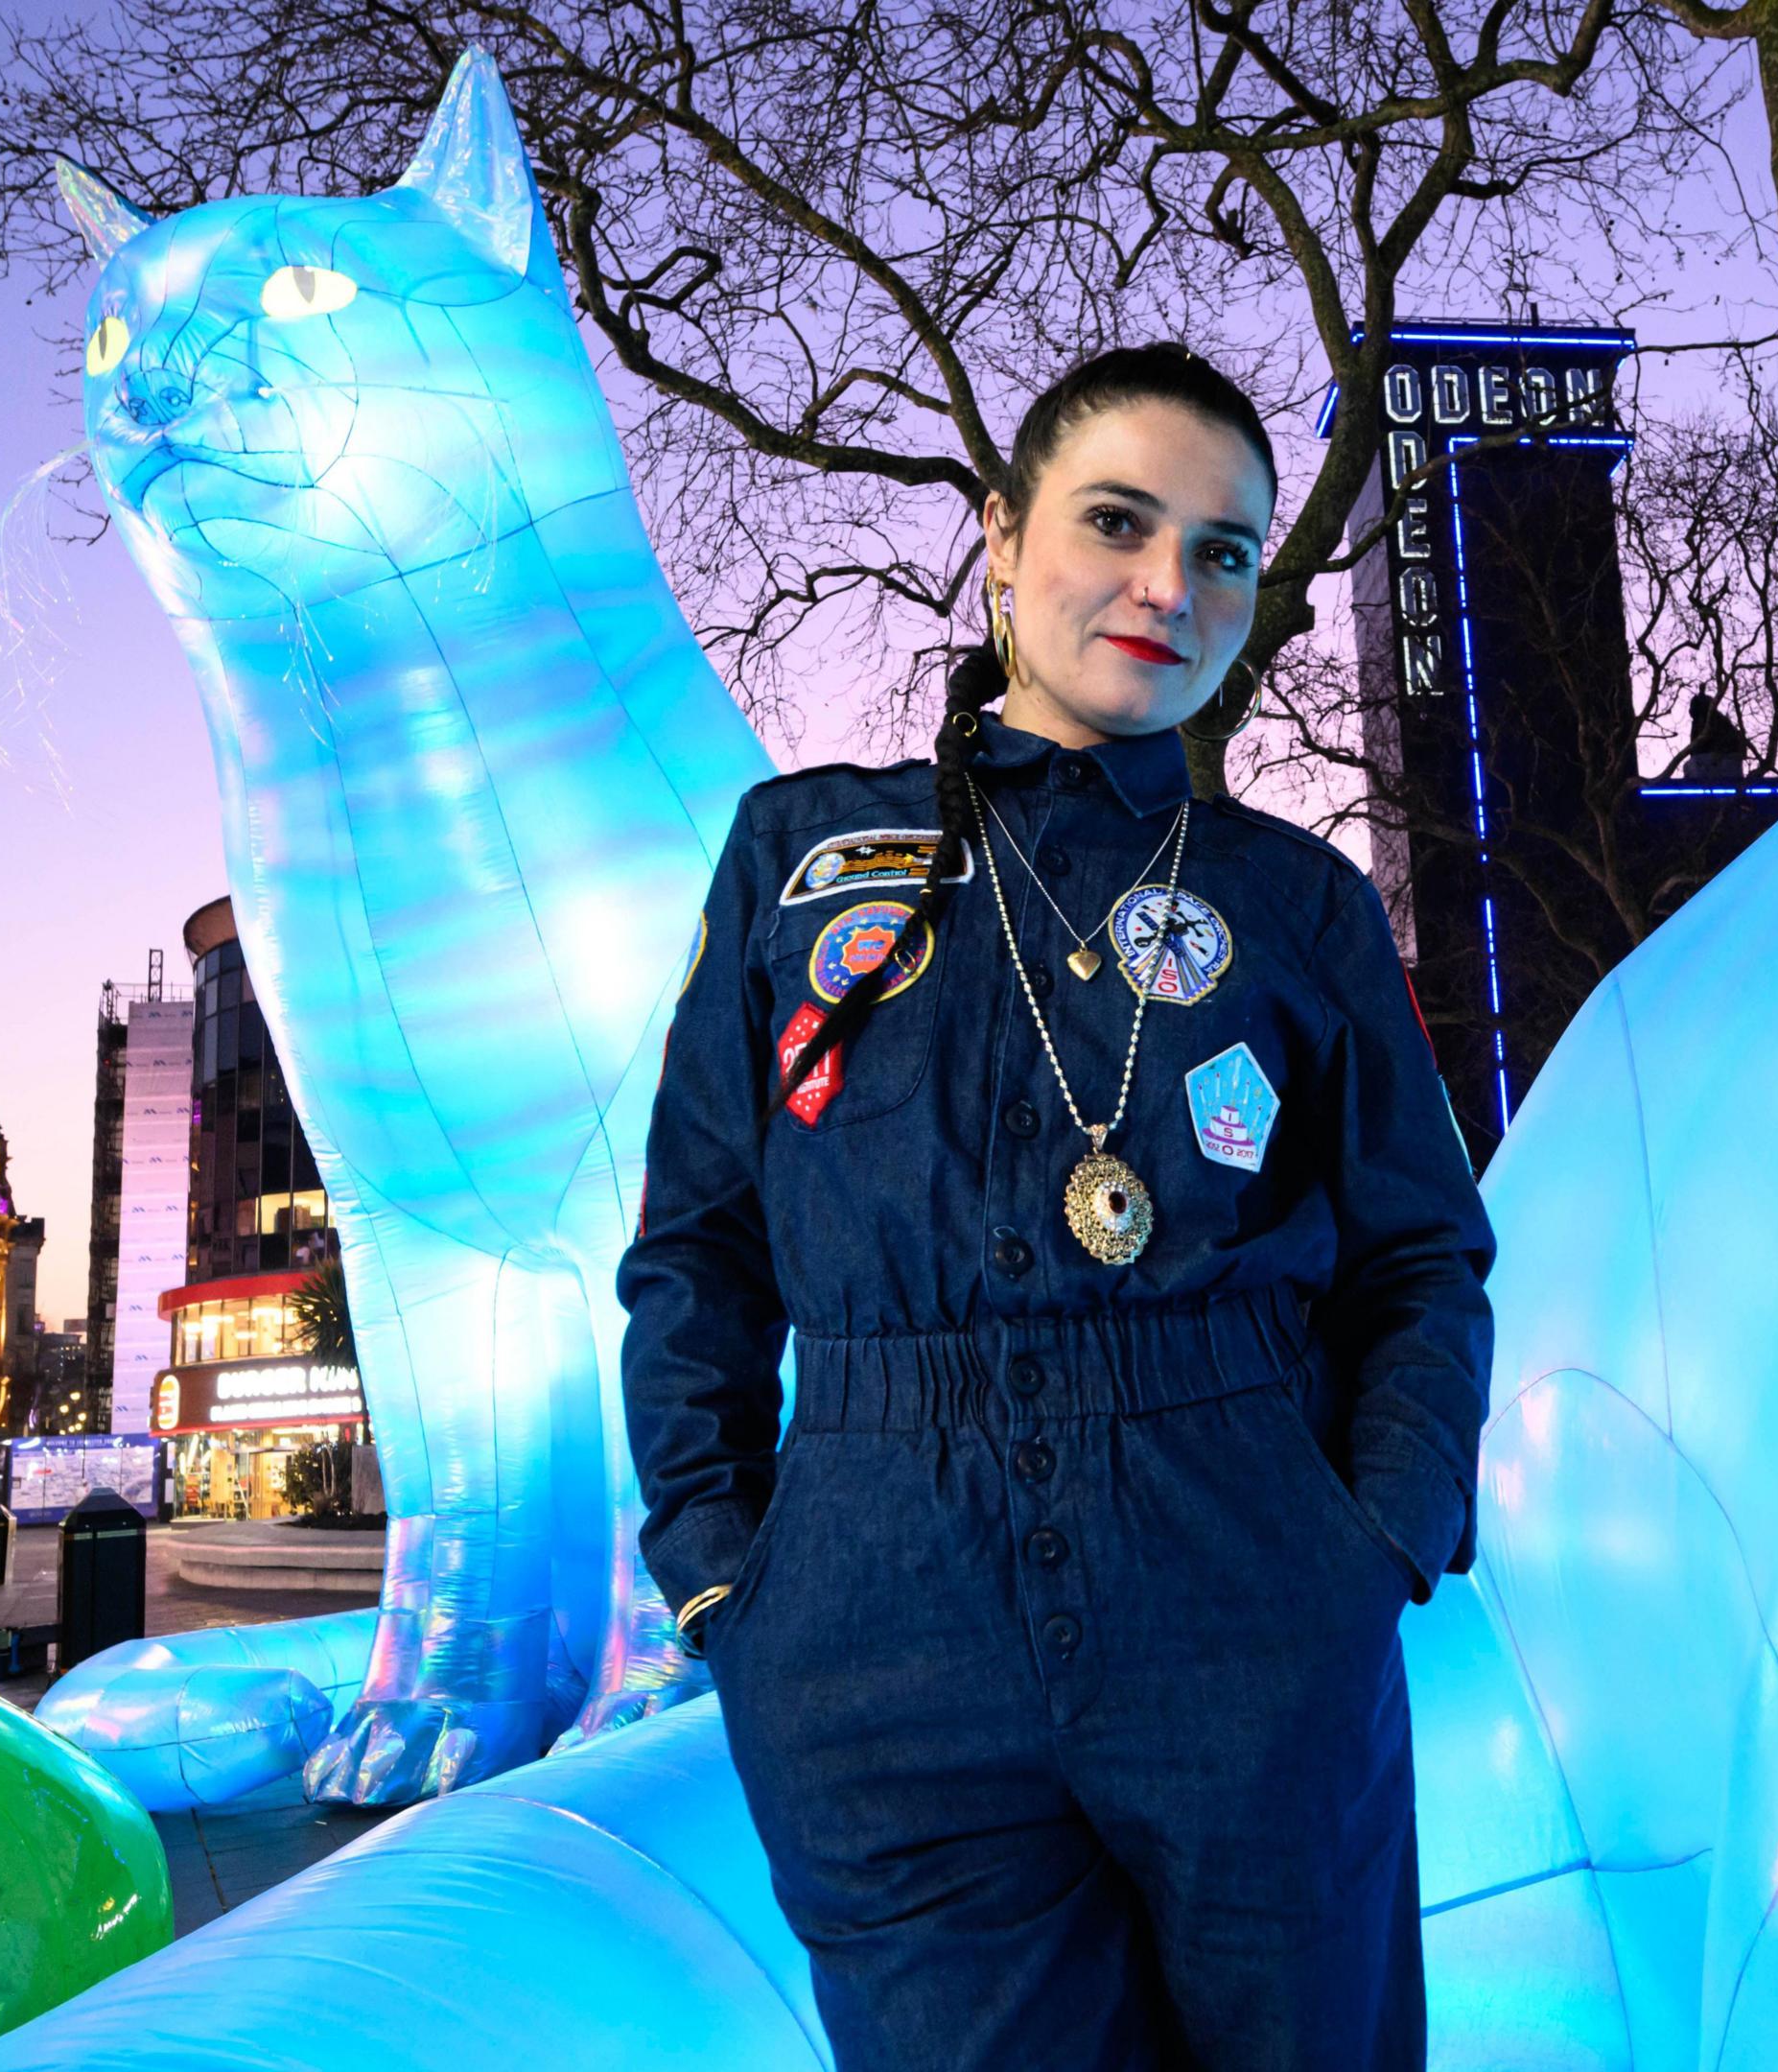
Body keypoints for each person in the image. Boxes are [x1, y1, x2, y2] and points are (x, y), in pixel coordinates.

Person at [620, 342, 1496, 2069]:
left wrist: (1374, 1538)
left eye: (1228, 551)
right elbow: (698, 1250)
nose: (1173, 585)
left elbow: (1422, 1255)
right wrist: (725, 1577)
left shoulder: (1295, 902)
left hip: (1251, 1588)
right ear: (1004, 541)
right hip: (876, 1627)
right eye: (1119, 520)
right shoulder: (801, 858)